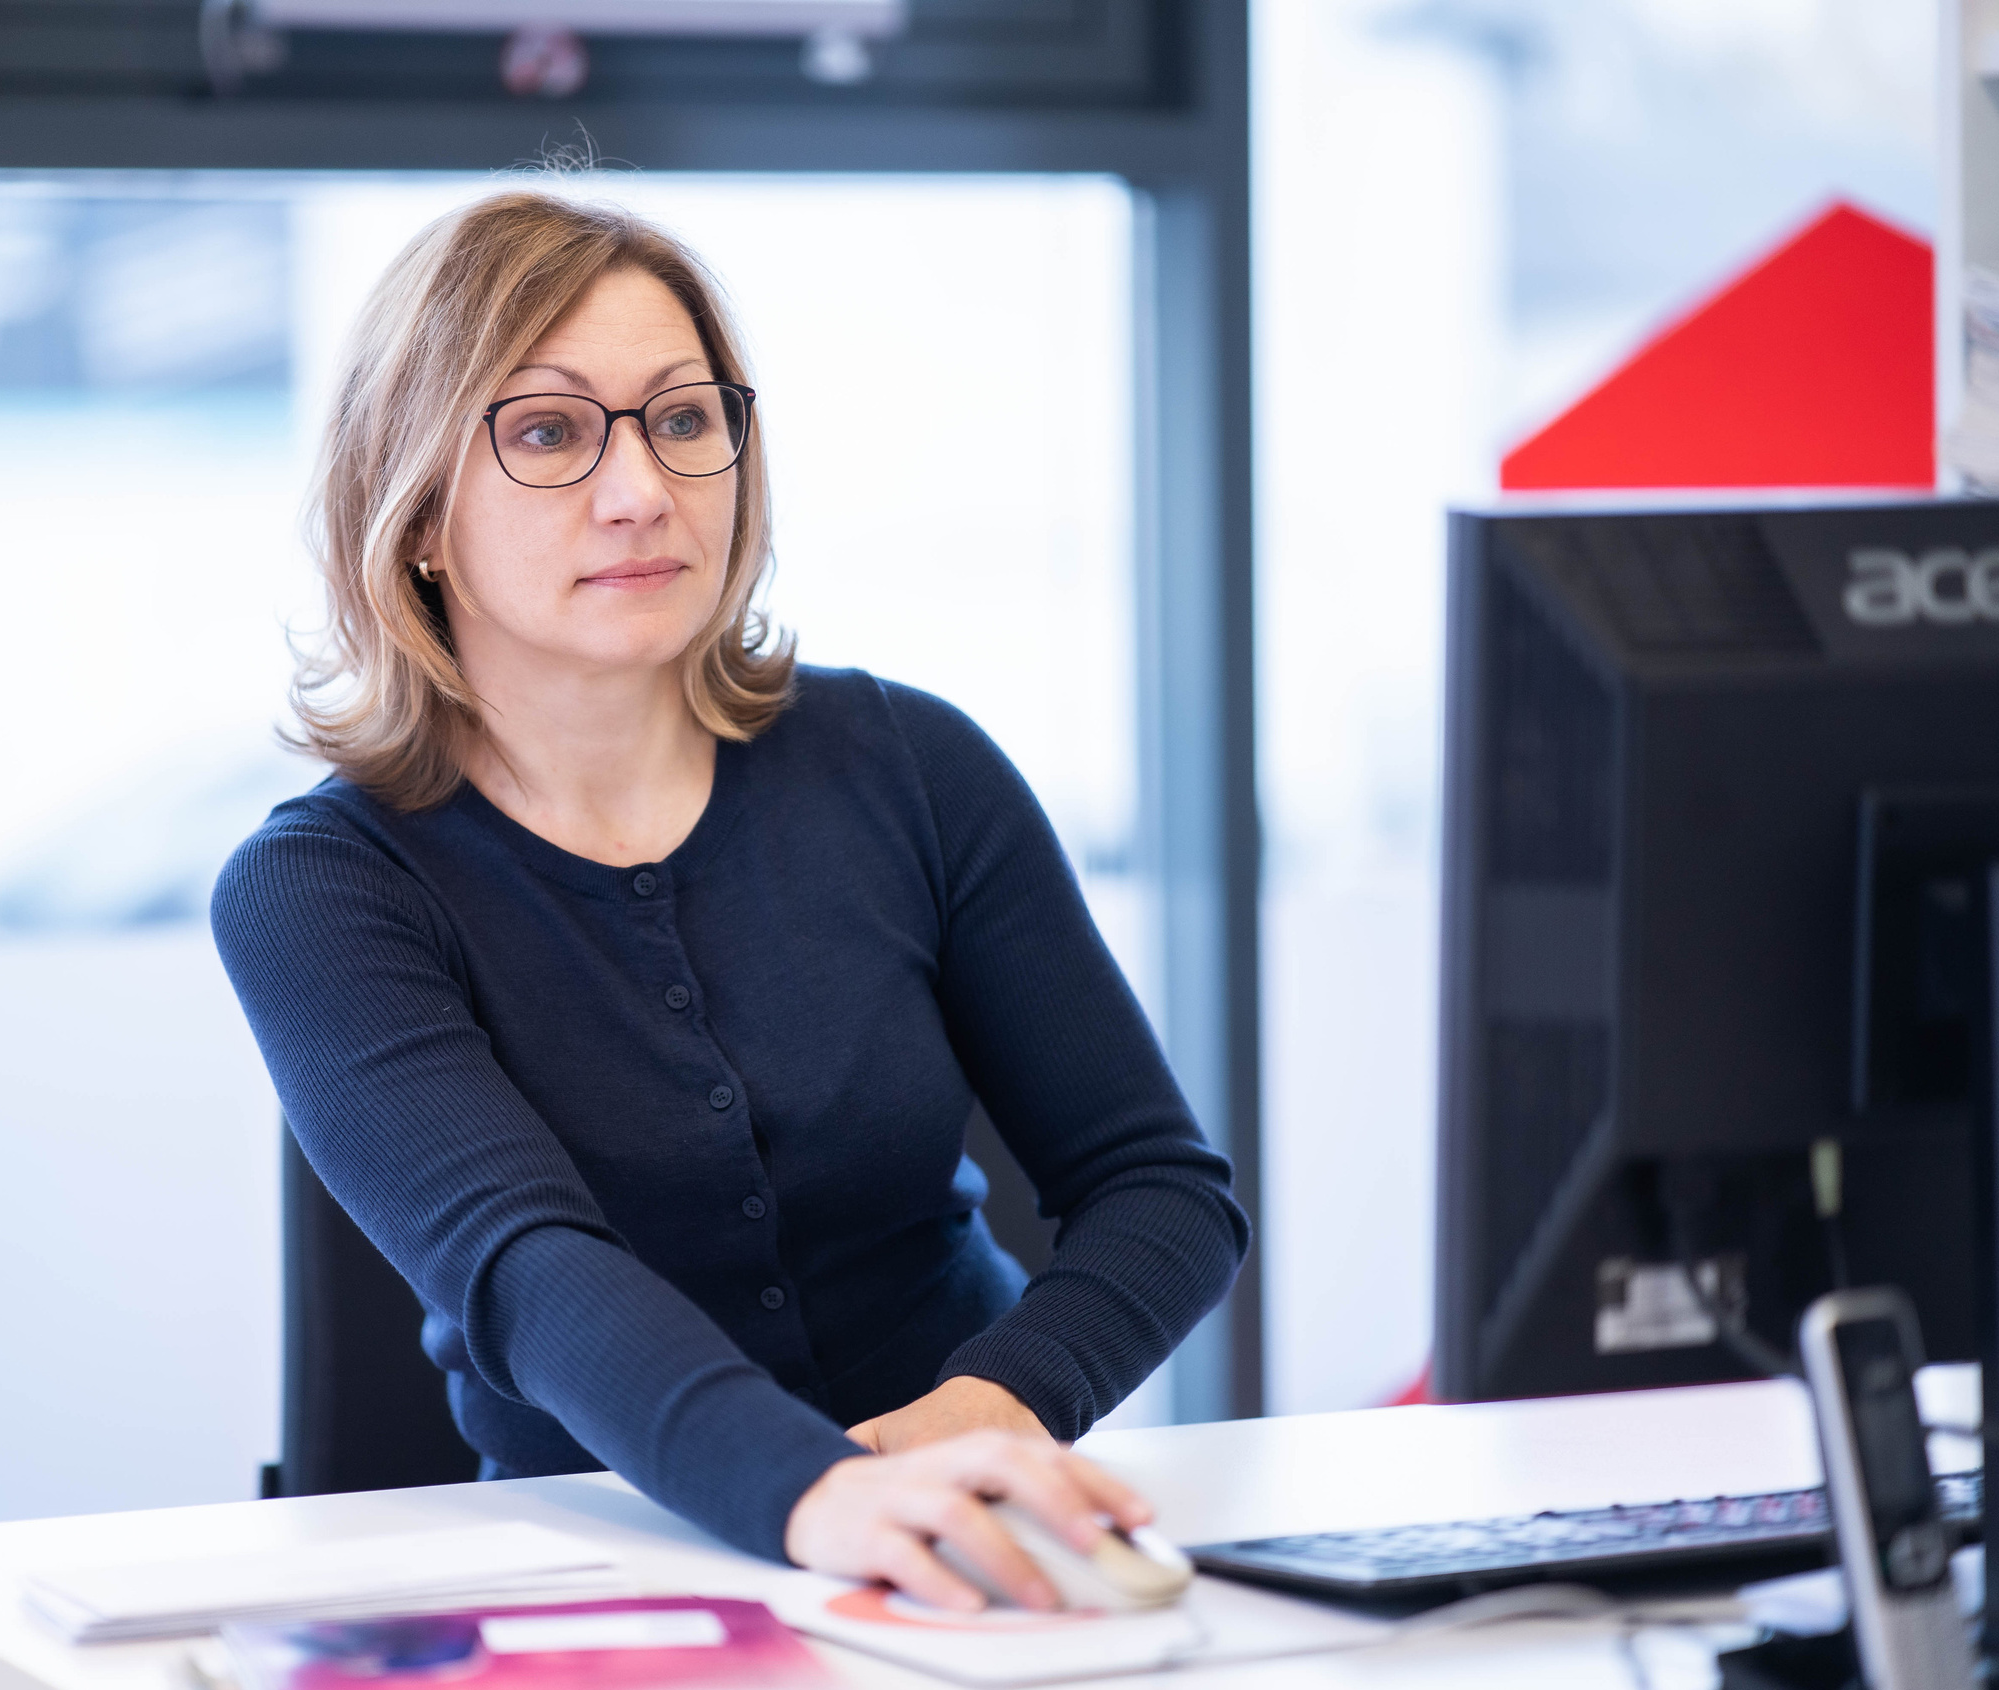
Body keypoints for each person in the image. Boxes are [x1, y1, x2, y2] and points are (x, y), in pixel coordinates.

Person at [212, 188, 1249, 1612]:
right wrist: (820, 1493)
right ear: (419, 515)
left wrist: (995, 1408)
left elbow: (1162, 1192)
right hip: (597, 1578)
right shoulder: (320, 891)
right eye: (548, 432)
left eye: (684, 418)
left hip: (979, 1541)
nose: (641, 488)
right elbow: (528, 1269)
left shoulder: (911, 765)